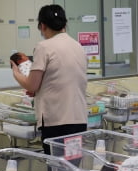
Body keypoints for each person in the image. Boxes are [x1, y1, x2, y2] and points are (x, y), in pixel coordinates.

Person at [11, 4, 88, 155]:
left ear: (43, 25)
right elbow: (62, 79)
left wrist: (16, 72)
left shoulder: (44, 47)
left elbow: (32, 85)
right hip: (79, 120)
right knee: (72, 170)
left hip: (56, 122)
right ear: (65, 24)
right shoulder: (78, 46)